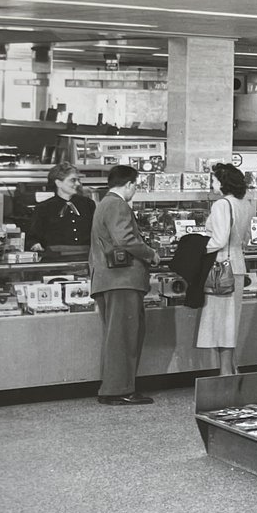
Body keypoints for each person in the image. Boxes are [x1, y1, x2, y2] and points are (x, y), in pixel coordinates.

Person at [89, 164, 160, 406]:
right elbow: (125, 238)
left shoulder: (103, 204)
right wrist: (150, 253)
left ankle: (113, 387)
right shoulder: (118, 205)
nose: (135, 190)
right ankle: (119, 389)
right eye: (135, 185)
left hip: (108, 279)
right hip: (121, 280)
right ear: (129, 184)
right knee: (124, 337)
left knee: (116, 337)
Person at [196, 163, 255, 376]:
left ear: (222, 182)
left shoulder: (222, 204)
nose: (212, 184)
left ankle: (225, 372)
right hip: (237, 265)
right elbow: (246, 238)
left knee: (221, 321)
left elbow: (219, 240)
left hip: (220, 268)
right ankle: (230, 368)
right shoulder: (245, 203)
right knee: (231, 320)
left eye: (213, 180)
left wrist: (198, 247)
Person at [27, 163, 96, 257]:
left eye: (78, 180)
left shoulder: (88, 204)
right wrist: (35, 244)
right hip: (55, 258)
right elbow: (32, 237)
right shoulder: (44, 208)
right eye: (73, 180)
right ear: (58, 183)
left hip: (87, 257)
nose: (78, 184)